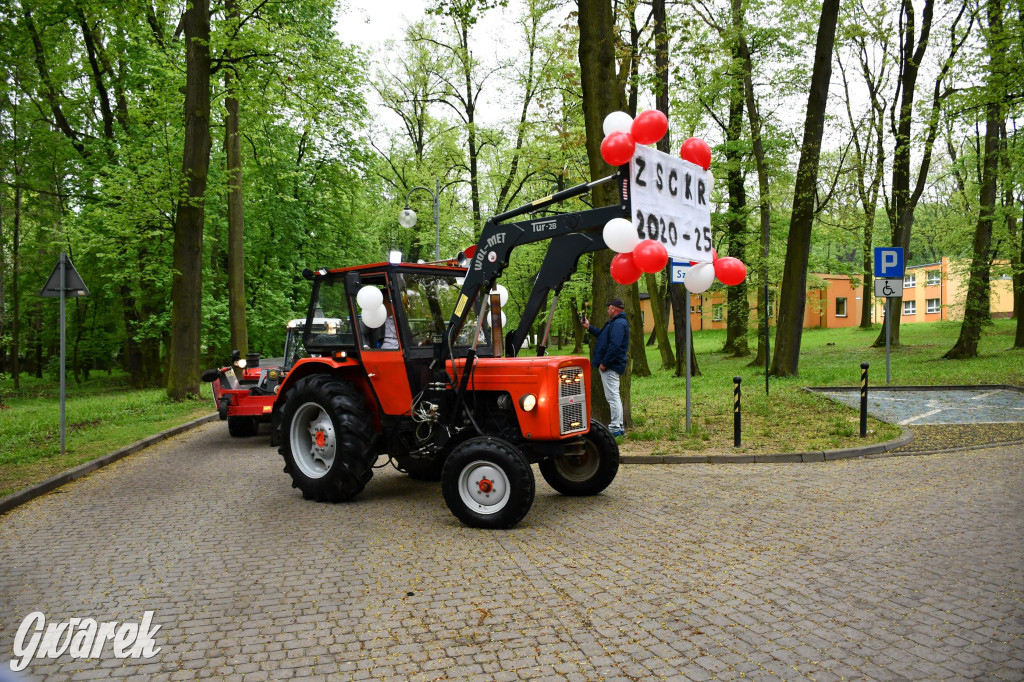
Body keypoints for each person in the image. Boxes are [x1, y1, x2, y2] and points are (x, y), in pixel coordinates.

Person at [583, 298, 630, 437]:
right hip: (611, 365)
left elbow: (615, 346)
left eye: (608, 308)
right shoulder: (615, 323)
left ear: (614, 309)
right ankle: (619, 426)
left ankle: (615, 428)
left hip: (610, 366)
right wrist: (589, 327)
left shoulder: (618, 324)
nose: (607, 310)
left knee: (612, 397)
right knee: (614, 396)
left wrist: (605, 363)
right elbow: (603, 336)